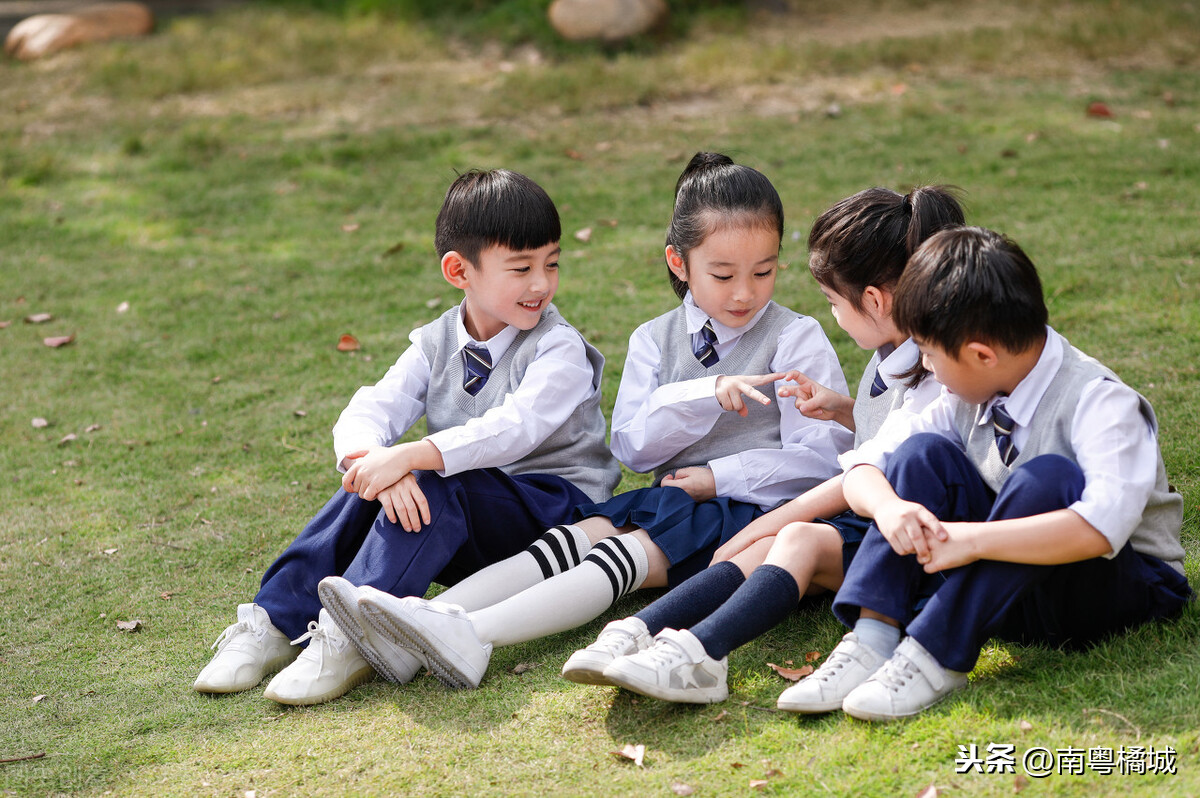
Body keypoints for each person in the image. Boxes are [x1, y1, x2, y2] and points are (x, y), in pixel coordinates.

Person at [324, 151, 854, 690]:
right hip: (667, 498)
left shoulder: (795, 337)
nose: (745, 292)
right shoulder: (653, 338)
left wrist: (721, 478)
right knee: (578, 538)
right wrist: (706, 395)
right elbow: (633, 447)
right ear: (678, 263)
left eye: (763, 272)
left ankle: (473, 632)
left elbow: (822, 459)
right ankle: (418, 625)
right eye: (723, 274)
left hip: (753, 508)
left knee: (619, 554)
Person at [192, 168, 620, 705]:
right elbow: (371, 406)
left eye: (551, 264)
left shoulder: (559, 349)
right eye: (521, 267)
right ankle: (274, 624)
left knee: (430, 474)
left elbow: (514, 429)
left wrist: (412, 458)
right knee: (376, 479)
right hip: (467, 522)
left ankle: (352, 636)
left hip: (555, 513)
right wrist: (376, 463)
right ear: (458, 270)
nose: (542, 283)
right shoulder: (436, 340)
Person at [570, 186, 965, 704]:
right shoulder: (894, 355)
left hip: (902, 525)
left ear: (874, 300)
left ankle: (700, 653)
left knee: (784, 539)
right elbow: (888, 430)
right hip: (880, 517)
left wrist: (764, 520)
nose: (831, 315)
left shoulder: (933, 372)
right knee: (772, 543)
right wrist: (844, 408)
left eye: (831, 301)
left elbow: (868, 468)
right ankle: (641, 631)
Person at [793, 226, 1191, 722]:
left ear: (981, 354)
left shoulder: (1101, 401)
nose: (928, 370)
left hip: (1116, 592)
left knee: (1047, 480)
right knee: (919, 455)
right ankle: (872, 639)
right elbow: (865, 465)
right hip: (1018, 588)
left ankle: (933, 655)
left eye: (931, 355)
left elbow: (1100, 527)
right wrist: (890, 507)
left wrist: (976, 541)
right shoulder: (963, 391)